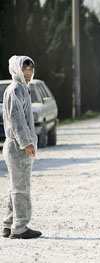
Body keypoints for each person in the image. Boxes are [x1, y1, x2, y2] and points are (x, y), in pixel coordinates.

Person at [2, 56, 41, 239]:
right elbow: (17, 120)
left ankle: (9, 224)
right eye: (25, 69)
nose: (28, 73)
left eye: (31, 70)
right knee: (21, 188)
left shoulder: (22, 89)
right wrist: (26, 143)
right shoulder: (16, 89)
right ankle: (20, 227)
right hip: (17, 146)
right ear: (17, 70)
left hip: (16, 145)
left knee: (15, 187)